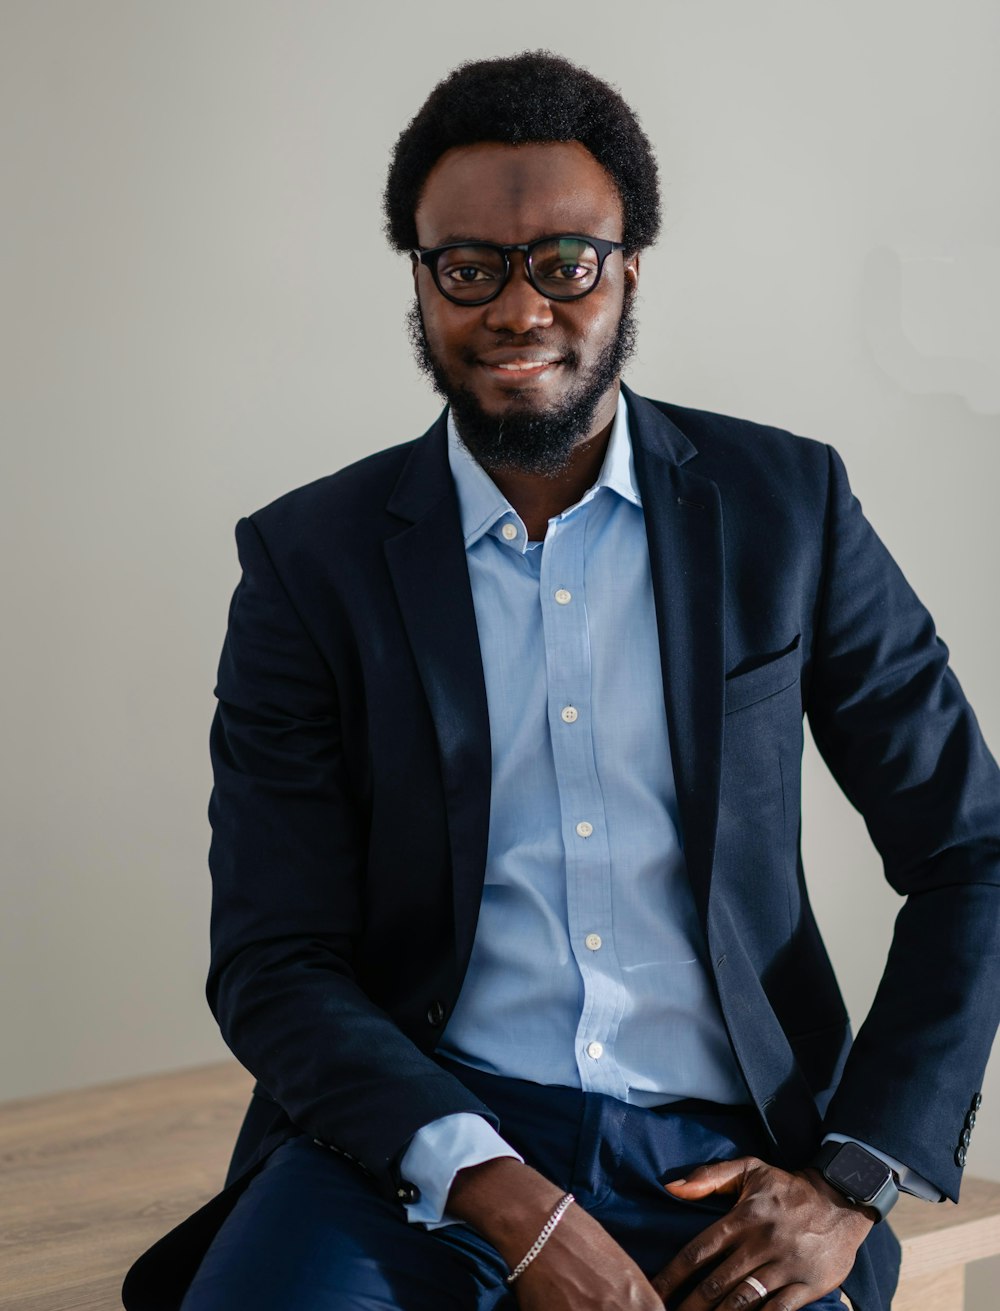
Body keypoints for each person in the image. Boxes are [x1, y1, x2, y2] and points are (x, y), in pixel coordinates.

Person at [123, 50, 1000, 1311]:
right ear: (421, 284)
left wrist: (853, 1176)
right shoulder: (308, 562)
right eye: (468, 267)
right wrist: (498, 1187)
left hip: (732, 1160)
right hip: (416, 1148)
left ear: (629, 265)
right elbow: (275, 956)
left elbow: (969, 849)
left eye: (564, 262)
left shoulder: (784, 511)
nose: (518, 309)